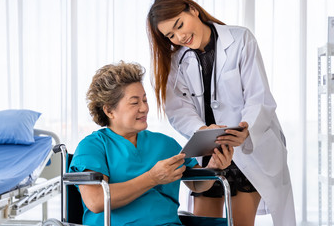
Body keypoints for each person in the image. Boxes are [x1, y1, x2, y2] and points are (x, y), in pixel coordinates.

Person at [146, 0, 295, 226]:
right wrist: (204, 129)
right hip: (211, 153)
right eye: (170, 35)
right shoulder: (176, 61)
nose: (180, 36)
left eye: (179, 25)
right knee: (204, 222)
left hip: (248, 149)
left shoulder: (240, 39)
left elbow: (259, 97)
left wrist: (246, 130)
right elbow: (178, 111)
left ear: (193, 10)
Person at [69, 61, 233, 226]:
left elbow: (197, 184)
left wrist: (214, 166)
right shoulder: (92, 146)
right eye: (135, 102)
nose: (144, 108)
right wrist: (152, 178)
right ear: (109, 110)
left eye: (145, 100)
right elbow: (96, 201)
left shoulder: (164, 144)